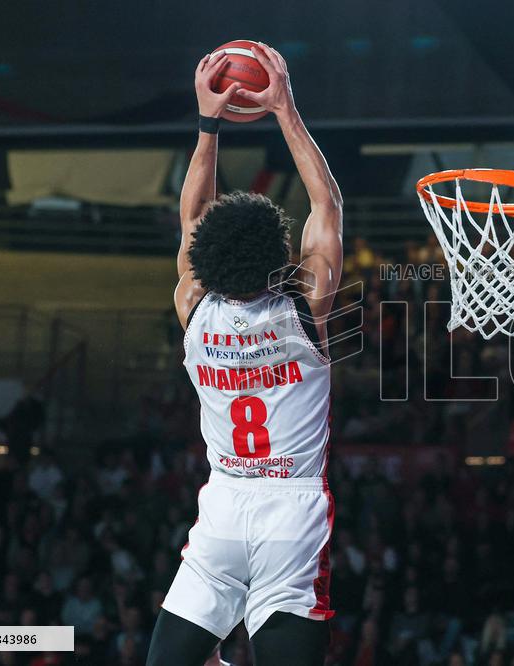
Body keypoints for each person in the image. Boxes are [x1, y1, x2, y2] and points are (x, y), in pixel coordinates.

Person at [146, 43, 343, 666]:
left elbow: (192, 216)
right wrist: (285, 109)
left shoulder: (193, 303)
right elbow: (326, 205)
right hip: (292, 514)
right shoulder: (306, 305)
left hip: (223, 509)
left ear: (204, 257)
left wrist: (208, 124)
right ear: (277, 253)